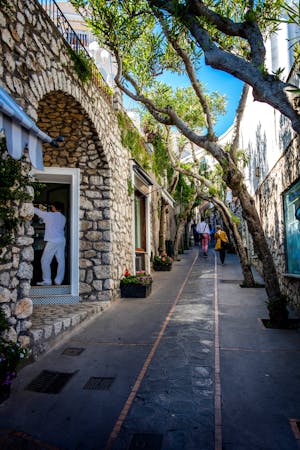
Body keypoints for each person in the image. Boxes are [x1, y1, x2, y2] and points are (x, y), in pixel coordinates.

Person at [34, 201, 66, 286]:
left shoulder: (50, 215)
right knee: (61, 261)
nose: (51, 207)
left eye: (52, 206)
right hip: (61, 240)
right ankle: (58, 281)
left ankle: (47, 280)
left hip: (53, 241)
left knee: (45, 260)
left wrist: (29, 205)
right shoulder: (63, 218)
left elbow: (38, 212)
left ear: (55, 207)